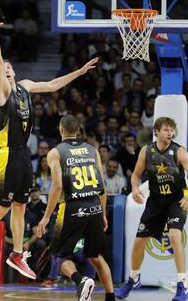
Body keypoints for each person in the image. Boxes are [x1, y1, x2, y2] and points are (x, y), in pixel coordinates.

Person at [0, 8, 98, 280]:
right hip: (7, 153)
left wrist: (78, 73)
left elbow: (53, 85)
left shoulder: (25, 86)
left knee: (20, 205)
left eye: (10, 68)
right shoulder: (1, 92)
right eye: (4, 68)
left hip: (24, 154)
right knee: (3, 204)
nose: (7, 70)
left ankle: (18, 254)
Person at [37, 114, 115, 301]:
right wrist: (103, 214)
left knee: (57, 256)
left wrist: (46, 217)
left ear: (61, 129)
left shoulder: (55, 152)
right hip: (94, 206)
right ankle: (110, 297)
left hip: (71, 207)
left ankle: (80, 280)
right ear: (78, 130)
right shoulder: (92, 150)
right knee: (95, 256)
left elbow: (56, 187)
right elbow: (102, 187)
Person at [116, 117, 188, 301]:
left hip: (176, 200)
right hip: (155, 202)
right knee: (139, 242)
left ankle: (182, 285)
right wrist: (134, 188)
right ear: (156, 131)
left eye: (172, 130)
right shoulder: (147, 151)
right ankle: (133, 279)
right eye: (166, 129)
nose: (169, 133)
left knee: (174, 236)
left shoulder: (179, 151)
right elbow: (136, 175)